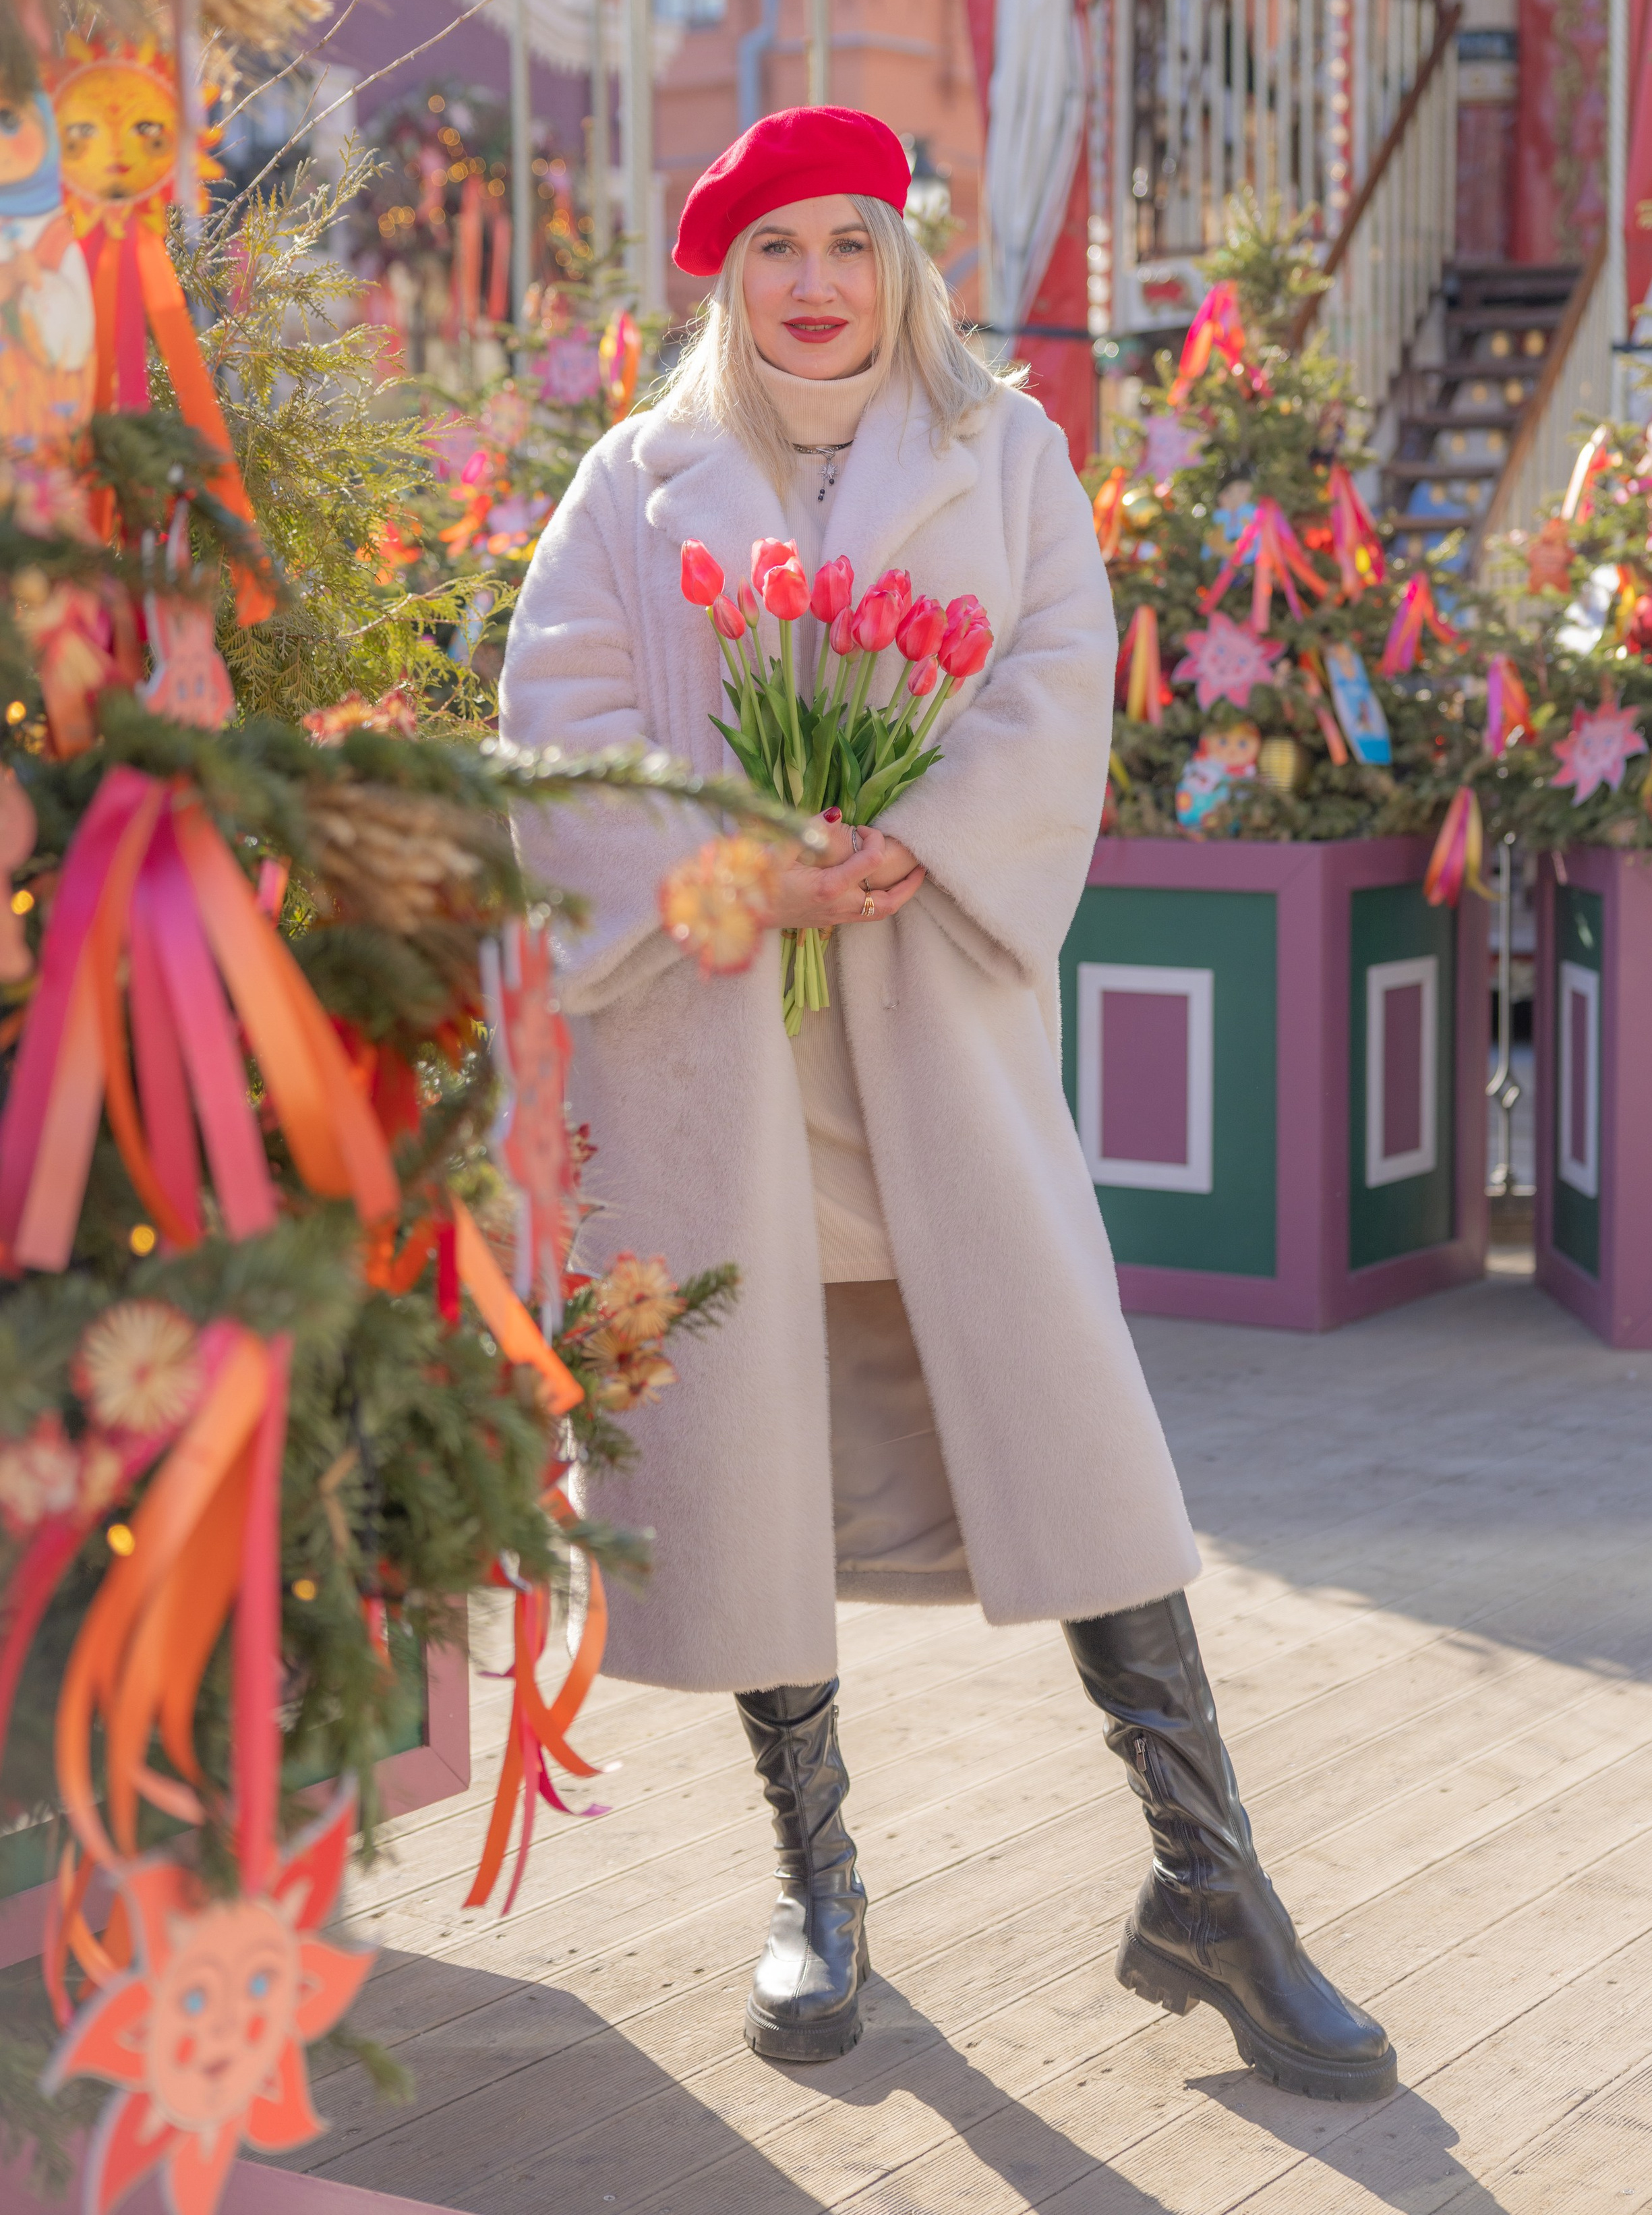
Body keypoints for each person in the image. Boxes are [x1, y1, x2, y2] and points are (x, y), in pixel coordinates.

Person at [500, 106, 1394, 2102]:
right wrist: (741, 859)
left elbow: (1056, 682)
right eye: (772, 251)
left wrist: (913, 834)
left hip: (933, 1032)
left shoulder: (1010, 457)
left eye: (849, 243)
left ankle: (1212, 1886)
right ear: (723, 278)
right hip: (724, 1042)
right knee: (756, 1456)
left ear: (900, 262)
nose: (815, 283)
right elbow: (549, 734)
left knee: (1080, 1443)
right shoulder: (631, 487)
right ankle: (819, 1885)